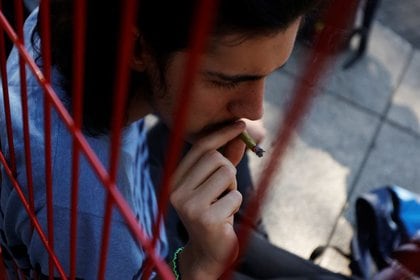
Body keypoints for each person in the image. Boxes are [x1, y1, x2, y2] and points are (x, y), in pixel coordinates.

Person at [0, 0, 354, 279]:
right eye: (228, 80)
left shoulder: (71, 26)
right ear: (137, 48)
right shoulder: (89, 217)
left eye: (267, 76)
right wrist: (198, 266)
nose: (256, 109)